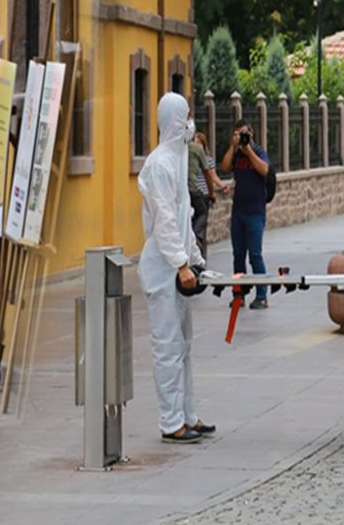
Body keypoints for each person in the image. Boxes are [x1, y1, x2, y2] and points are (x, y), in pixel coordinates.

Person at [136, 92, 214, 444]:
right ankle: (171, 423)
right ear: (175, 119)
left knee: (183, 346)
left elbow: (184, 219)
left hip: (179, 266)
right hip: (163, 269)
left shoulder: (178, 158)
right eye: (187, 115)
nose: (191, 121)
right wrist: (182, 263)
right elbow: (165, 222)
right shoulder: (158, 165)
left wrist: (196, 261)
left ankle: (188, 415)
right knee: (167, 347)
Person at [220, 120, 271, 308]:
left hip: (256, 212)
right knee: (238, 254)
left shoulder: (258, 151)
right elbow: (224, 167)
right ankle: (239, 294)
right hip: (238, 211)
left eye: (243, 133)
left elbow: (264, 170)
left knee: (255, 255)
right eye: (237, 133)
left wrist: (248, 149)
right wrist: (233, 147)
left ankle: (262, 295)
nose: (241, 137)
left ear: (251, 134)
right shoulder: (235, 154)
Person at [188, 129, 228, 259]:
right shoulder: (190, 154)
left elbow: (212, 176)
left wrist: (221, 187)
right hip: (195, 193)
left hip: (203, 194)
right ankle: (195, 245)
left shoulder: (207, 160)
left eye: (199, 143)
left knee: (201, 228)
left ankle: (200, 256)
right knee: (198, 222)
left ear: (204, 145)